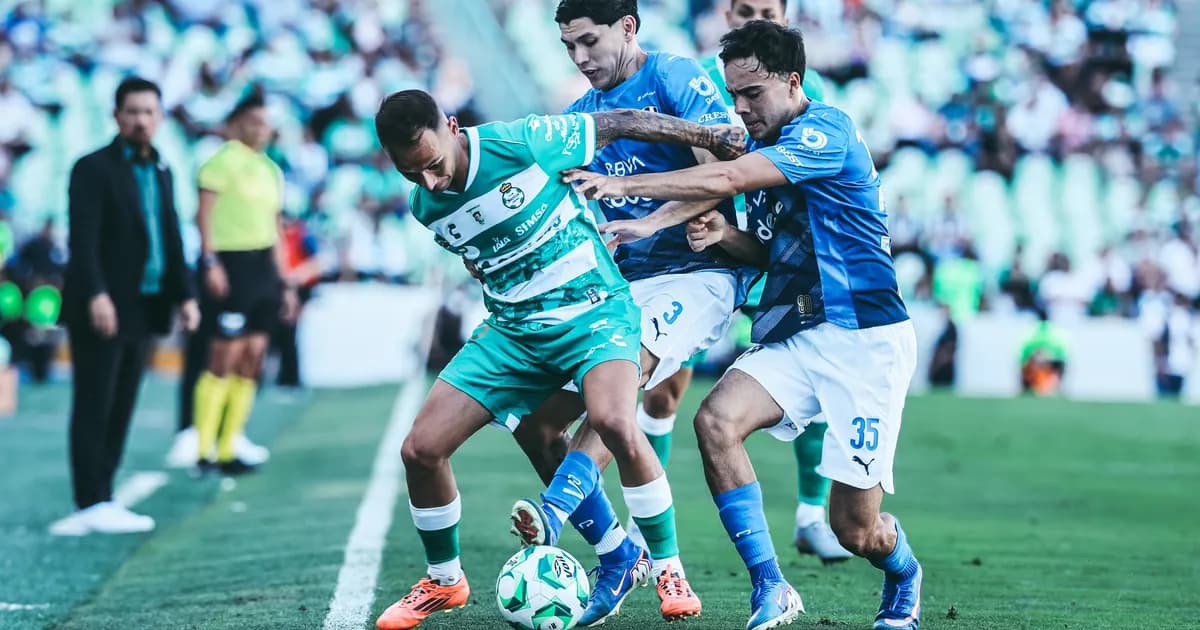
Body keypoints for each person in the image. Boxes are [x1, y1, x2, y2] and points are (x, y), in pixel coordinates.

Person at [568, 21, 923, 630]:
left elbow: (727, 178)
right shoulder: (762, 147)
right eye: (733, 94)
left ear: (793, 81)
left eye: (753, 93)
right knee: (715, 421)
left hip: (865, 340)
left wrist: (625, 187)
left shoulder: (826, 130)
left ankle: (903, 572)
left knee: (855, 529)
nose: (741, 108)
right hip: (799, 333)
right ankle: (771, 585)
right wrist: (724, 236)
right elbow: (768, 253)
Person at [370, 89, 742, 630]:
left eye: (432, 165)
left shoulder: (524, 142)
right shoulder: (425, 206)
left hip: (594, 313)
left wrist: (708, 136)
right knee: (420, 450)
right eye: (410, 173)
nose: (428, 182)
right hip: (513, 332)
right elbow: (480, 257)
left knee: (615, 421)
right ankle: (446, 580)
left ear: (451, 128)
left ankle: (668, 569)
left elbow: (622, 120)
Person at [508, 0, 752, 622]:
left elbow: (724, 172)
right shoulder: (581, 118)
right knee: (534, 423)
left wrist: (648, 219)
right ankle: (619, 555)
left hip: (698, 274)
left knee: (620, 383)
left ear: (627, 27)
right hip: (621, 286)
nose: (580, 57)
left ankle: (556, 510)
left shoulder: (675, 77)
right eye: (569, 47)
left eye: (589, 41)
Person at [697, 0, 852, 565]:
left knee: (818, 388)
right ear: (726, 13)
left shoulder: (815, 106)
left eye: (766, 10)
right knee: (680, 400)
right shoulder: (705, 80)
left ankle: (814, 515)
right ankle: (649, 532)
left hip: (799, 271)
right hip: (722, 255)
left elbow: (743, 173)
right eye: (745, 9)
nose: (754, 17)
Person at [53, 77, 199, 536]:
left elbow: (170, 235)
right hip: (103, 305)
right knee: (95, 401)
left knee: (122, 403)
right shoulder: (91, 168)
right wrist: (96, 294)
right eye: (132, 112)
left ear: (160, 117)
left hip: (145, 304)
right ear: (116, 116)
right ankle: (89, 500)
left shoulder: (162, 168)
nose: (140, 120)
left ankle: (104, 495)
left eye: (148, 112)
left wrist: (186, 295)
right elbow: (83, 240)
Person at [191, 92, 297, 475]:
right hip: (231, 263)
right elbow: (203, 216)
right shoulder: (220, 162)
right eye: (254, 122)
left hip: (263, 267)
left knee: (253, 356)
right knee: (223, 356)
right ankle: (203, 448)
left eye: (265, 123)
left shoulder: (270, 169)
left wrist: (286, 283)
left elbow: (275, 228)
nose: (261, 130)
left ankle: (228, 445)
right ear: (236, 124)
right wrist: (210, 262)